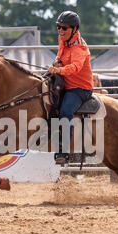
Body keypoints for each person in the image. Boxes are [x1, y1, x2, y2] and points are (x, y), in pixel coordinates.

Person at [47, 10, 93, 164]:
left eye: (64, 28)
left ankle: (63, 152)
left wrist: (59, 70)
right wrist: (57, 62)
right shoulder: (63, 39)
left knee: (66, 111)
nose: (60, 30)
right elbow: (60, 55)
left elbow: (76, 67)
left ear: (74, 29)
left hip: (80, 88)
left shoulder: (80, 47)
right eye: (58, 27)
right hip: (65, 83)